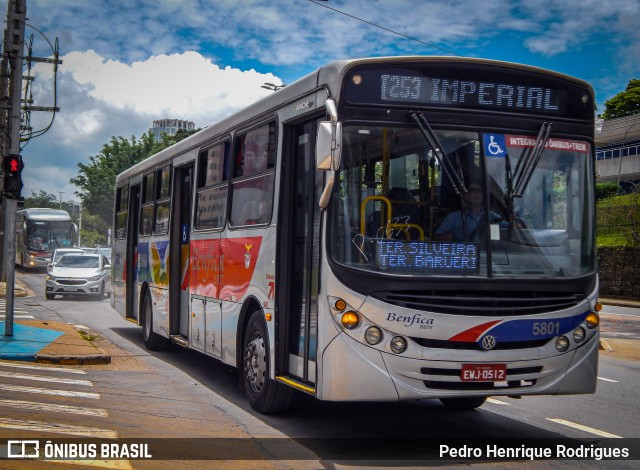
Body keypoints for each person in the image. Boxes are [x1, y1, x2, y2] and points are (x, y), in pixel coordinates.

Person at [435, 182, 500, 242]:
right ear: (465, 195)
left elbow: (509, 227)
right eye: (473, 191)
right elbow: (437, 237)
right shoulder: (453, 217)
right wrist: (446, 237)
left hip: (487, 253)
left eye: (480, 192)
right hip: (463, 253)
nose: (477, 194)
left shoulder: (492, 216)